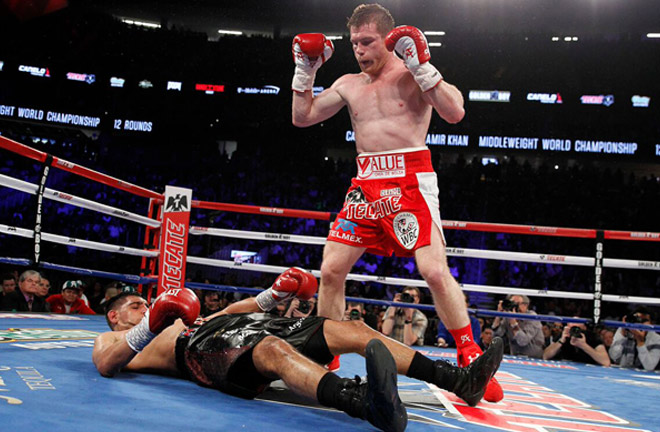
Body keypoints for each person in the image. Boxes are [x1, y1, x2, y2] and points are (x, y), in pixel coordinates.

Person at [290, 3, 502, 402]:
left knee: (433, 271)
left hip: (410, 180)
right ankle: (326, 354)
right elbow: (303, 117)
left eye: (368, 42)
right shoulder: (349, 83)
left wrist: (423, 66)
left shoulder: (410, 75)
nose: (360, 50)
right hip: (365, 183)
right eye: (355, 43)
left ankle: (470, 356)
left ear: (388, 40)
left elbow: (455, 111)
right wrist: (307, 69)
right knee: (331, 269)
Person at [93, 268, 503, 432]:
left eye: (147, 304)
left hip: (228, 326)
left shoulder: (181, 314)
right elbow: (107, 365)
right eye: (135, 306)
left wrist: (276, 293)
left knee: (351, 329)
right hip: (200, 352)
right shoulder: (113, 338)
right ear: (114, 316)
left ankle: (458, 379)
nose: (145, 307)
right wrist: (152, 322)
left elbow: (238, 311)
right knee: (270, 348)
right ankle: (364, 403)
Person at [542, 321, 611, 366]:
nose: (575, 331)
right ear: (568, 326)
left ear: (584, 327)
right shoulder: (564, 336)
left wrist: (584, 346)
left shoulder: (592, 337)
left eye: (578, 328)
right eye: (572, 326)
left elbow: (606, 362)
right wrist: (561, 341)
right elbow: (545, 356)